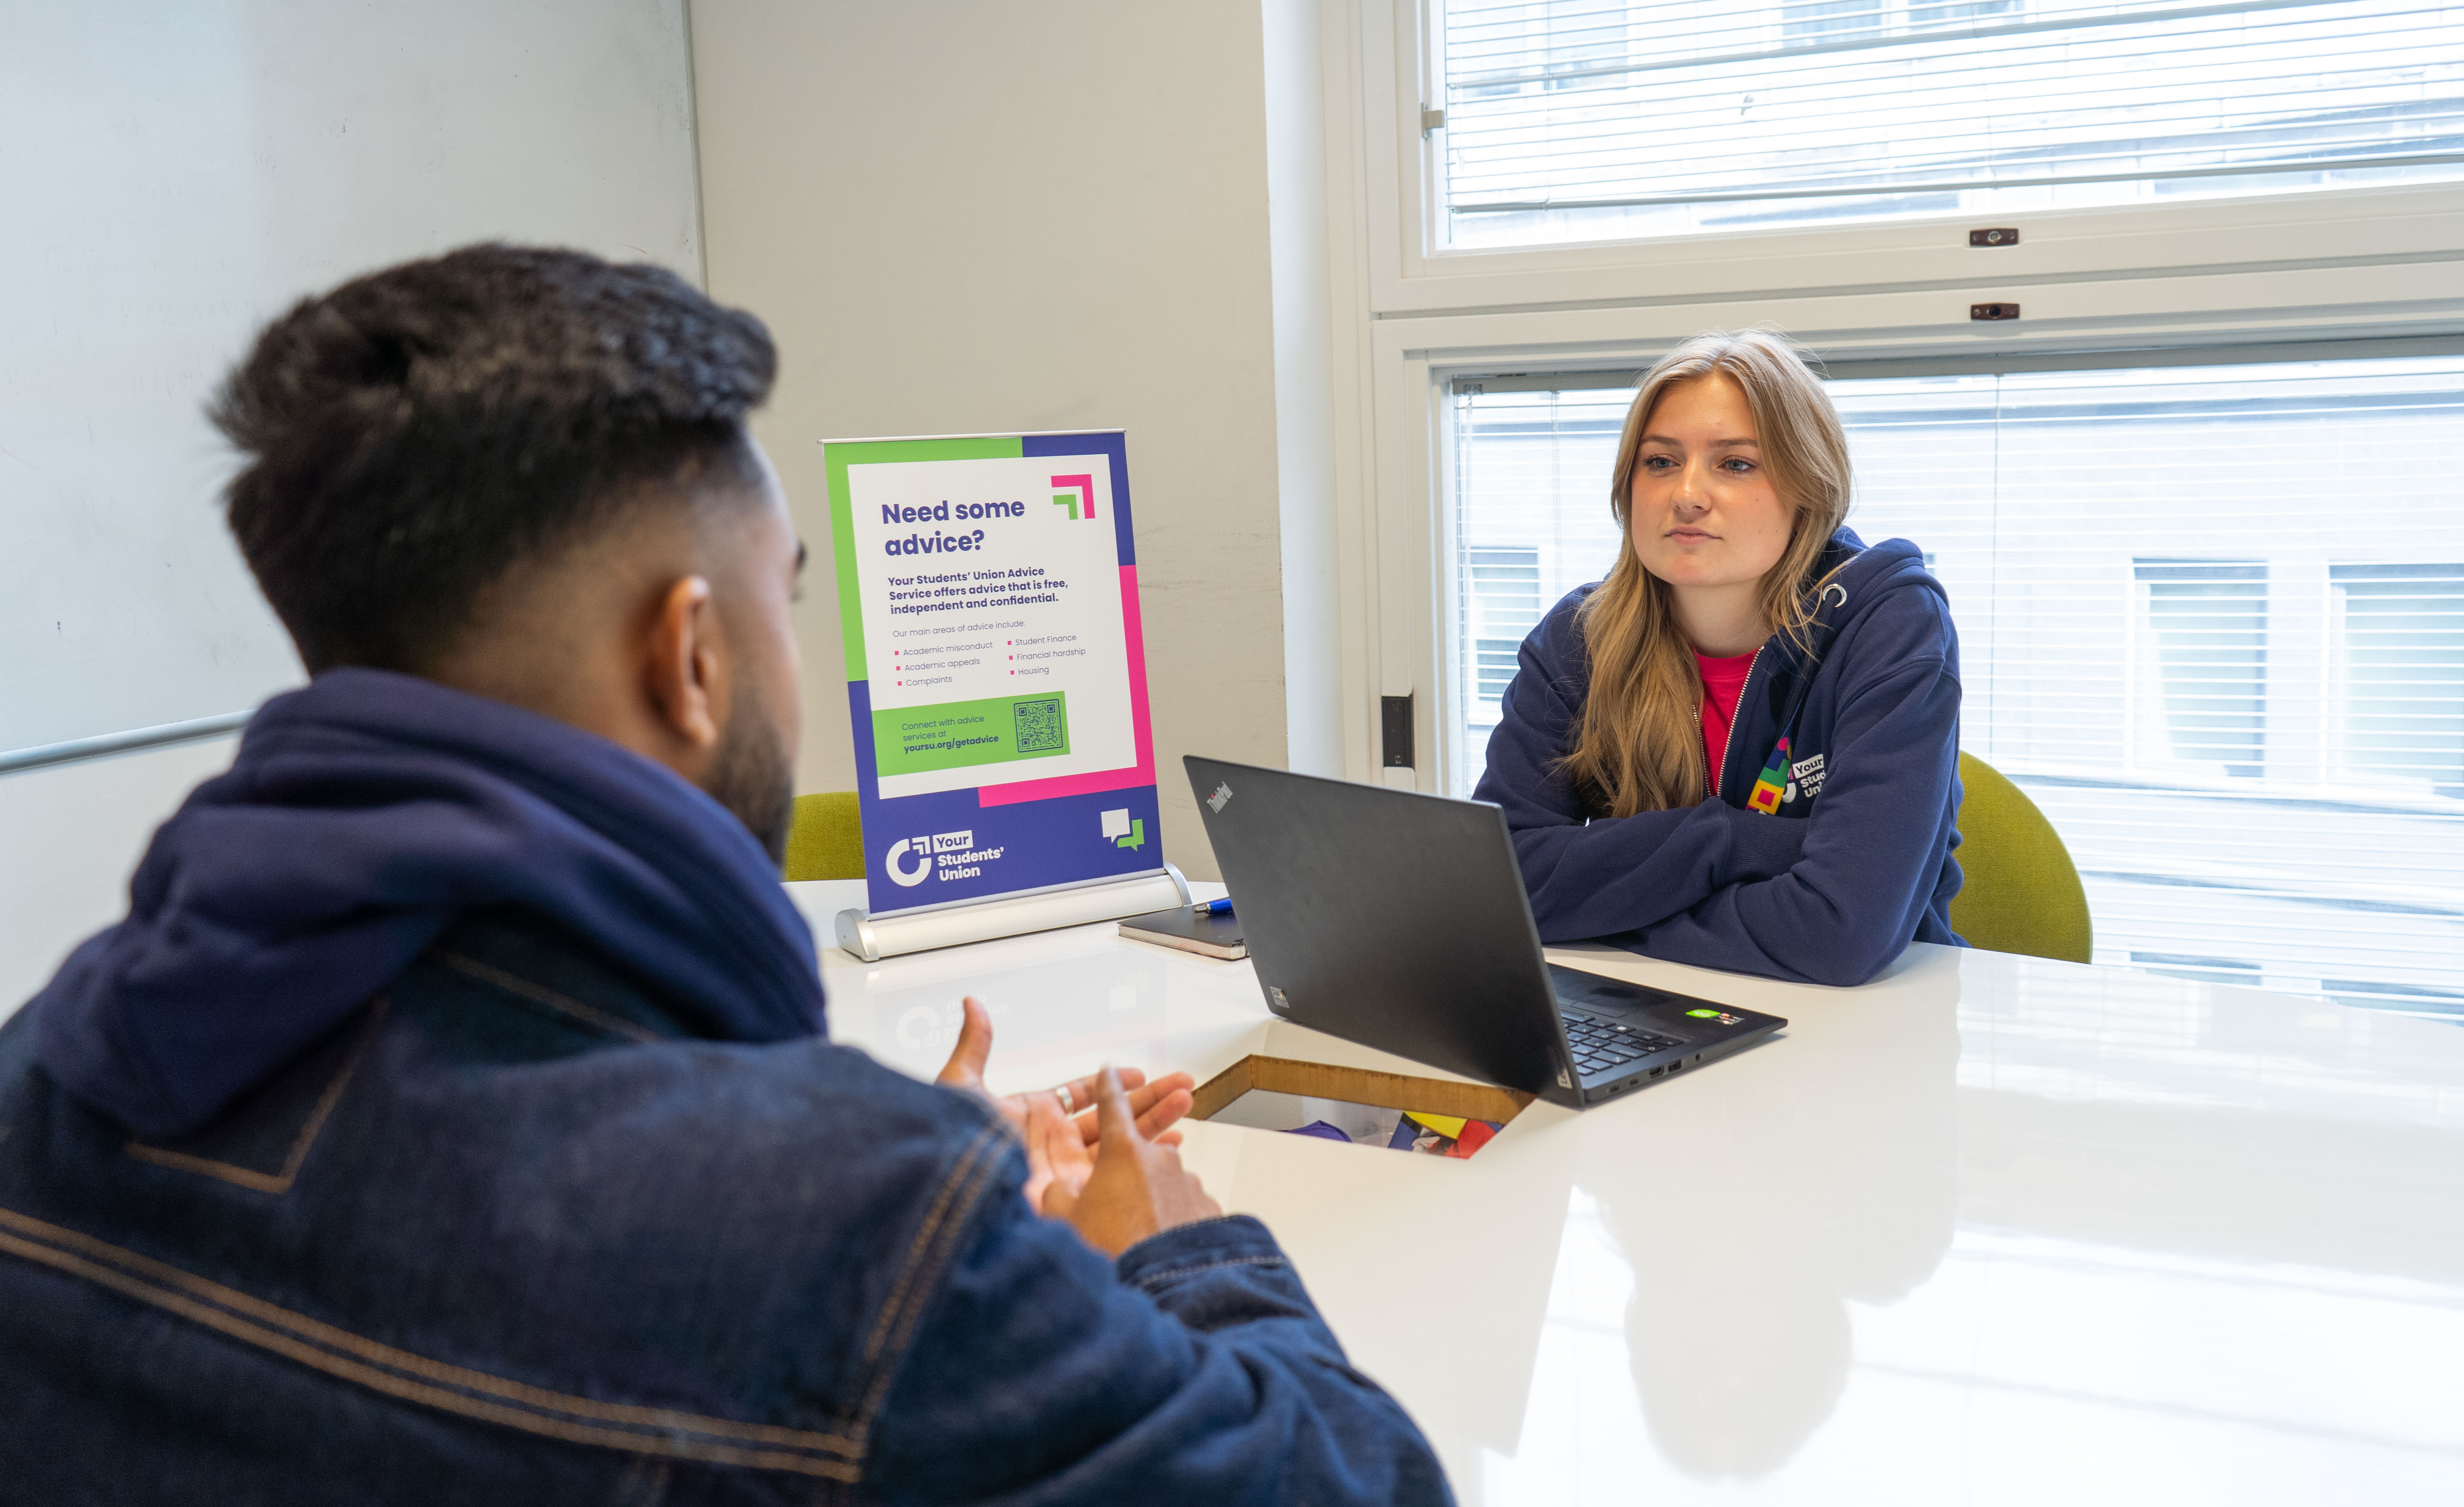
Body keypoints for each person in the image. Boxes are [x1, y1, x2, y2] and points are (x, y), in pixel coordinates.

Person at [0, 245, 1449, 1504]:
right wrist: (1173, 1248)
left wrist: (895, 1162)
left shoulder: (45, 1066)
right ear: (690, 655)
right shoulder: (845, 1237)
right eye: (784, 597)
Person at [1474, 329, 1963, 986]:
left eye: (1735, 464)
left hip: (1869, 1023)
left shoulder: (1890, 627)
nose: (1687, 494)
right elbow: (1498, 885)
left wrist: (1601, 909)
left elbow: (1839, 933)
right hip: (1653, 1005)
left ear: (1809, 488)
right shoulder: (1579, 638)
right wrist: (1730, 840)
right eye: (1660, 461)